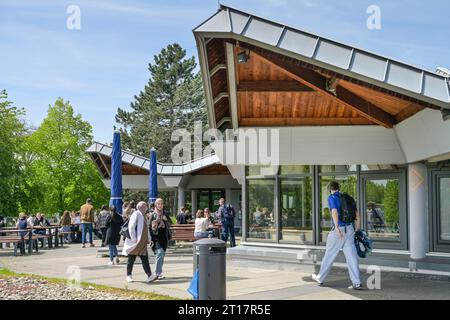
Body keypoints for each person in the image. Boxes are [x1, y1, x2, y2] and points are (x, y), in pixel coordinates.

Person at [312, 181, 362, 290]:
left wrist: (337, 227)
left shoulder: (332, 198)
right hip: (350, 229)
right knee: (352, 257)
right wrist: (357, 228)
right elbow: (357, 214)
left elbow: (334, 211)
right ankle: (357, 282)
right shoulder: (348, 197)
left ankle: (320, 278)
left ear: (330, 189)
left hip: (339, 230)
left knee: (329, 255)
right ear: (339, 188)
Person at [122, 201, 157, 283]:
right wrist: (134, 239)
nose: (146, 208)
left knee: (144, 259)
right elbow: (131, 227)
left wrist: (149, 238)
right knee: (131, 258)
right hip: (136, 241)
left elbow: (146, 228)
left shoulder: (143, 215)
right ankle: (128, 275)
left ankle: (149, 275)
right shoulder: (136, 214)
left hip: (142, 241)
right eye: (145, 207)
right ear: (141, 207)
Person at [150, 198, 171, 280]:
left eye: (161, 204)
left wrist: (166, 220)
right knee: (160, 253)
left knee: (161, 256)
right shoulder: (153, 214)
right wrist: (150, 238)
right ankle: (157, 273)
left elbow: (170, 223)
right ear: (156, 205)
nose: (160, 205)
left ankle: (160, 272)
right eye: (158, 204)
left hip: (164, 238)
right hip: (156, 237)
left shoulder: (165, 213)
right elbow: (149, 227)